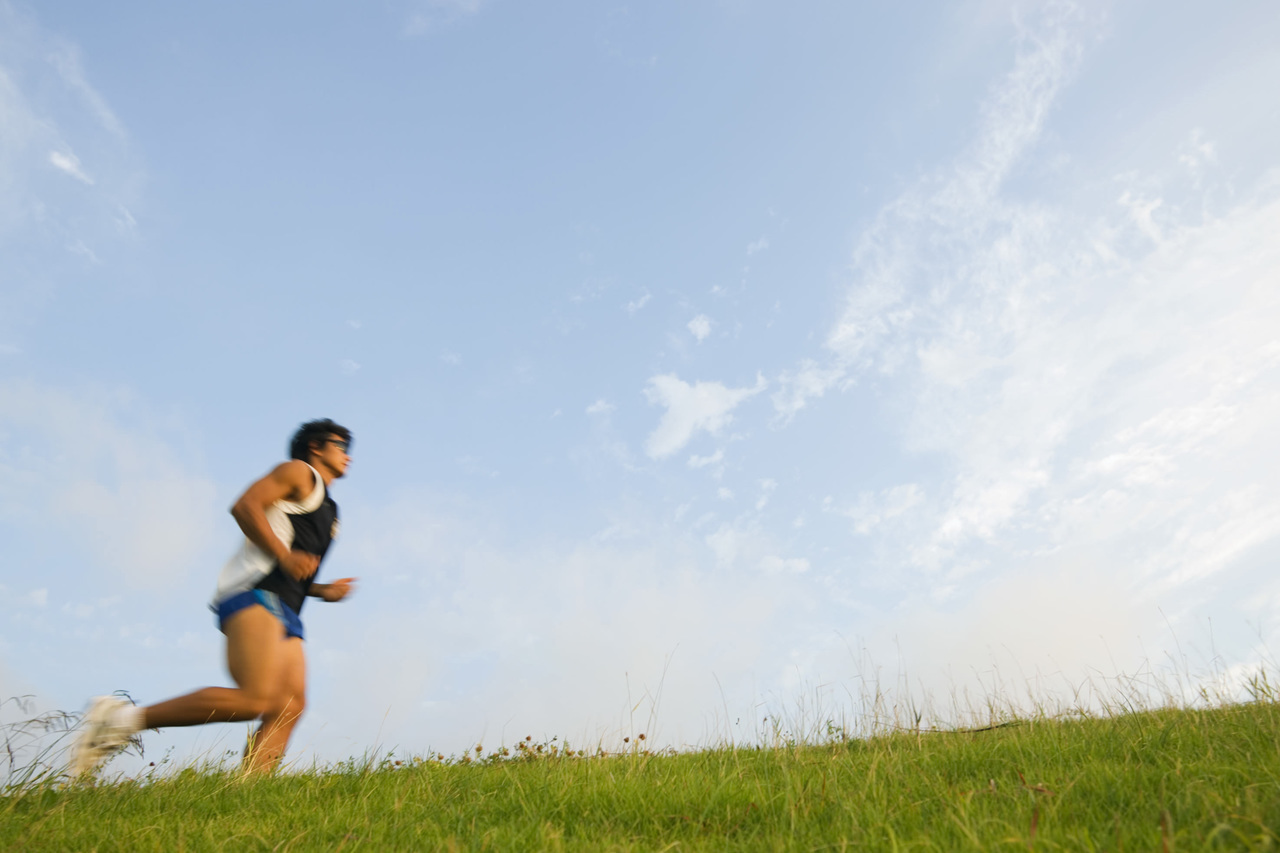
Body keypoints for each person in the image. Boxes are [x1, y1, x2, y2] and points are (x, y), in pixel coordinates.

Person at [70, 419, 358, 777]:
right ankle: (117, 721)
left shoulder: (331, 512)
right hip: (256, 592)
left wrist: (321, 589)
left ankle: (251, 791)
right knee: (256, 698)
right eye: (342, 446)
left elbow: (296, 567)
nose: (348, 454)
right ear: (316, 446)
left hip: (287, 606)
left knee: (289, 707)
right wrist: (285, 557)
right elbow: (245, 506)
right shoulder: (298, 473)